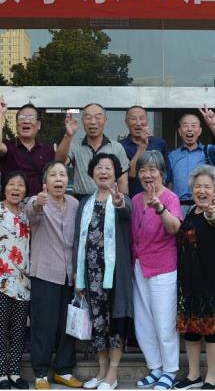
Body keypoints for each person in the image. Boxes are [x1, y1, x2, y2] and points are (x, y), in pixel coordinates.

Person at [73, 154, 134, 391]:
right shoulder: (85, 203)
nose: (103, 171)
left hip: (115, 274)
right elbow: (78, 240)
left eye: (108, 168)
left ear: (116, 173)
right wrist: (77, 275)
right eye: (99, 167)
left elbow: (127, 211)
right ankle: (101, 371)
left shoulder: (122, 199)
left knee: (116, 321)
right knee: (97, 322)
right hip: (90, 276)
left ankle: (112, 373)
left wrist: (118, 203)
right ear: (92, 173)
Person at [25, 161, 83, 390]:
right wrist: (38, 204)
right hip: (45, 273)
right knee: (43, 326)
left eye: (62, 175)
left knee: (68, 325)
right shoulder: (37, 200)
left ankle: (63, 371)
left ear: (68, 180)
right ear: (45, 182)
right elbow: (31, 213)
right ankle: (40, 373)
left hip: (70, 275)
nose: (59, 179)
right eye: (53, 175)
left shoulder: (75, 204)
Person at [130, 151, 182, 391]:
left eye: (152, 170)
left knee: (164, 322)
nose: (147, 174)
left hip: (162, 266)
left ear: (162, 173)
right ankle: (156, 367)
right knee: (143, 322)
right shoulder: (135, 199)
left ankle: (170, 370)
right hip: (139, 265)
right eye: (143, 170)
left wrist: (160, 208)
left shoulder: (170, 198)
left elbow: (174, 228)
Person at [173, 165, 215, 390]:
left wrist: (211, 211)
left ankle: (211, 377)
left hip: (211, 281)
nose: (202, 191)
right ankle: (194, 375)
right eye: (198, 186)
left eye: (207, 187)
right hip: (188, 281)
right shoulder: (189, 212)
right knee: (191, 331)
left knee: (213, 332)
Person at [0, 171, 32, 390]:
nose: (15, 188)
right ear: (4, 188)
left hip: (22, 280)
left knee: (18, 329)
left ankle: (14, 372)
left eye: (20, 185)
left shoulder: (27, 213)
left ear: (25, 190)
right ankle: (1, 375)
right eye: (11, 184)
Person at [55, 103, 130, 199]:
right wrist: (68, 136)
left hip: (109, 200)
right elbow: (59, 162)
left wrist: (124, 202)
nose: (93, 122)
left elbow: (122, 181)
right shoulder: (75, 146)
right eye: (88, 117)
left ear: (105, 120)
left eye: (98, 117)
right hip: (81, 199)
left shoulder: (116, 148)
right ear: (82, 121)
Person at [167, 107, 215, 214]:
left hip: (204, 206)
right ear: (180, 131)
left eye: (193, 126)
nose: (189, 129)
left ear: (200, 131)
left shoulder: (207, 151)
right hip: (178, 207)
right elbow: (169, 184)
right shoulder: (171, 156)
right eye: (185, 126)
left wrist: (212, 125)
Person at [0, 96, 55, 196]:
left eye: (31, 118)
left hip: (39, 202)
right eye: (22, 118)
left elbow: (59, 166)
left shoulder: (47, 150)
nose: (26, 121)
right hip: (13, 203)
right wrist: (0, 113)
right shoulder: (9, 147)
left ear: (39, 125)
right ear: (16, 124)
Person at [119, 106, 171, 198]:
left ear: (147, 121)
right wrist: (142, 147)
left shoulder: (159, 143)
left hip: (159, 198)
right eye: (133, 119)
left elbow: (167, 175)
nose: (138, 123)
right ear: (126, 123)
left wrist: (167, 197)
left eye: (142, 118)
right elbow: (131, 174)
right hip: (133, 199)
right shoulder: (120, 147)